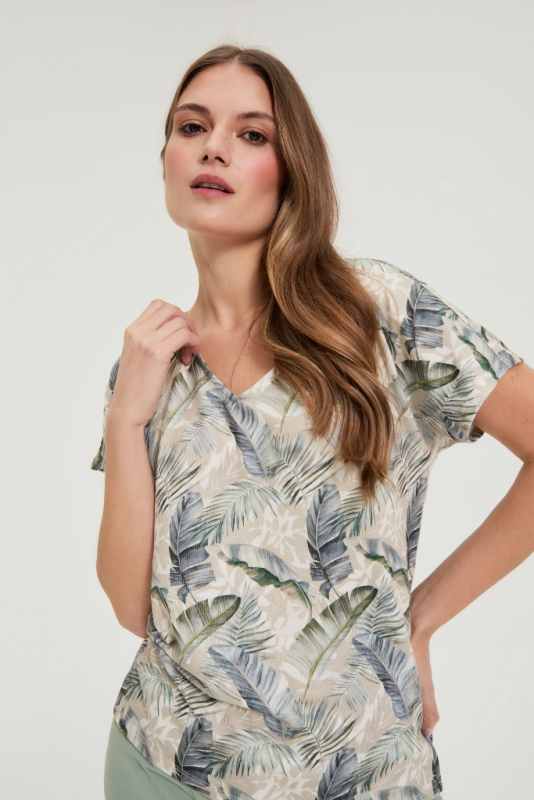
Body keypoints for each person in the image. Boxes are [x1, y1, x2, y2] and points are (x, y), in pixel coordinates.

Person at [91, 44, 533, 800]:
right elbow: (134, 608)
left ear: (292, 167)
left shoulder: (378, 311)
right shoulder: (149, 362)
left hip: (362, 773)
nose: (214, 147)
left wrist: (423, 617)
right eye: (192, 126)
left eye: (251, 134)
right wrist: (126, 416)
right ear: (165, 159)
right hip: (164, 765)